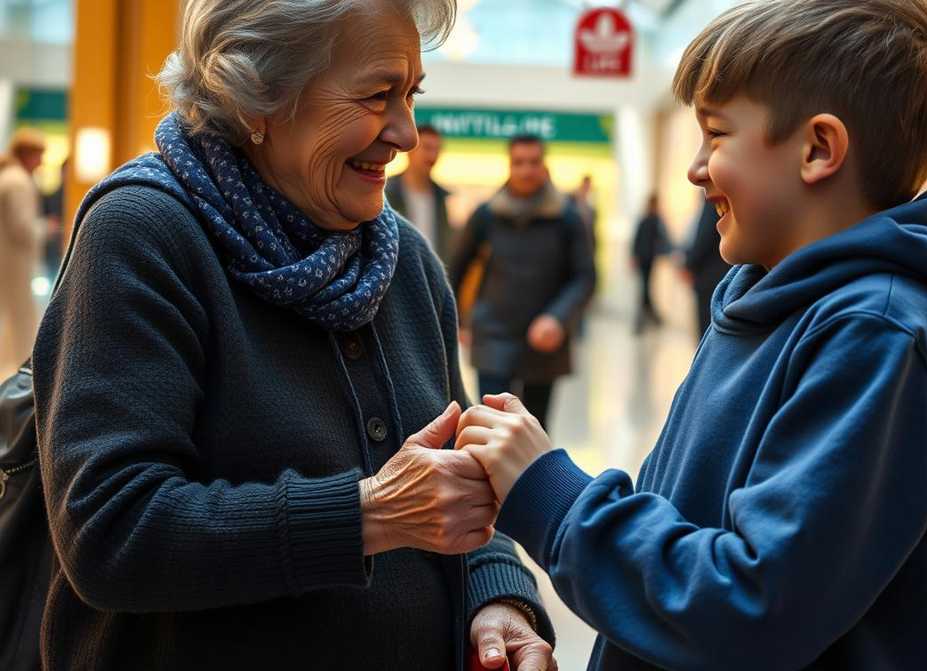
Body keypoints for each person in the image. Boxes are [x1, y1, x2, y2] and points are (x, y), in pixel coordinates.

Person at [453, 1, 927, 669]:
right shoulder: (764, 296)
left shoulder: (876, 334)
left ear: (818, 149)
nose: (696, 169)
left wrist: (556, 498)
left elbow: (758, 602)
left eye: (717, 135)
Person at [31, 2, 555, 670]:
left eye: (412, 94)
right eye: (376, 94)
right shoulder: (144, 235)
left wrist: (498, 596)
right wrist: (369, 515)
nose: (405, 131)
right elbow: (110, 532)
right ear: (259, 97)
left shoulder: (406, 261)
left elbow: (459, 479)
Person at [449, 135, 595, 431]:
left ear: (544, 165)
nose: (526, 170)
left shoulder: (567, 217)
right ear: (509, 166)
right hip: (492, 334)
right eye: (519, 163)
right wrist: (459, 322)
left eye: (533, 162)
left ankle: (533, 479)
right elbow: (456, 270)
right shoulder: (486, 215)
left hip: (544, 339)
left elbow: (585, 276)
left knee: (534, 430)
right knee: (492, 427)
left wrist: (557, 317)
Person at [0, 127, 46, 373]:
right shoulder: (17, 181)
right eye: (39, 154)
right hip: (14, 261)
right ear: (28, 154)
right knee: (19, 319)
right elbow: (22, 227)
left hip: (8, 258)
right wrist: (43, 228)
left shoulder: (9, 176)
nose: (42, 161)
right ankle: (16, 373)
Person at [385, 124, 455, 263]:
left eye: (437, 150)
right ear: (410, 150)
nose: (432, 156)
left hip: (430, 276)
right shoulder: (386, 192)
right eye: (427, 148)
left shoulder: (442, 198)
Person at [680, 197, 731, 337]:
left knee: (708, 329)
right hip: (714, 274)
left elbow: (704, 234)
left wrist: (690, 264)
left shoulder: (714, 201)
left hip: (710, 276)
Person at [629, 193, 670, 332]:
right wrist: (634, 257)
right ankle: (643, 320)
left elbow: (662, 239)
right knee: (644, 290)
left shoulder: (656, 220)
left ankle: (648, 319)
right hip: (643, 259)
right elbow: (637, 239)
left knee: (646, 289)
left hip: (649, 259)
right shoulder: (646, 220)